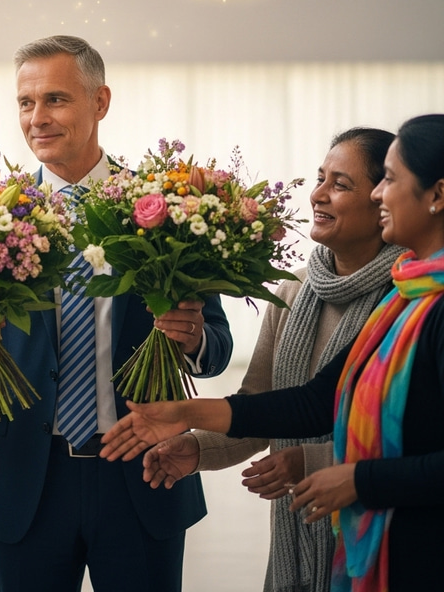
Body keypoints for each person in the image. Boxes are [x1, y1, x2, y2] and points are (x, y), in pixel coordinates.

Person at [0, 36, 233, 592]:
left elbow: (217, 345)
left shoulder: (167, 209)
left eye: (56, 99)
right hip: (27, 483)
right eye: (25, 103)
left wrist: (193, 340)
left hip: (143, 473)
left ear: (100, 102)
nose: (37, 118)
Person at [101, 113, 444, 591]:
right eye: (320, 178)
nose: (319, 194)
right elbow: (304, 404)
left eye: (384, 180)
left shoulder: (405, 299)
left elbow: (417, 441)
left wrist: (336, 471)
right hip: (331, 542)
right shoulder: (376, 296)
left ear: (436, 195)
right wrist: (189, 425)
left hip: (408, 545)